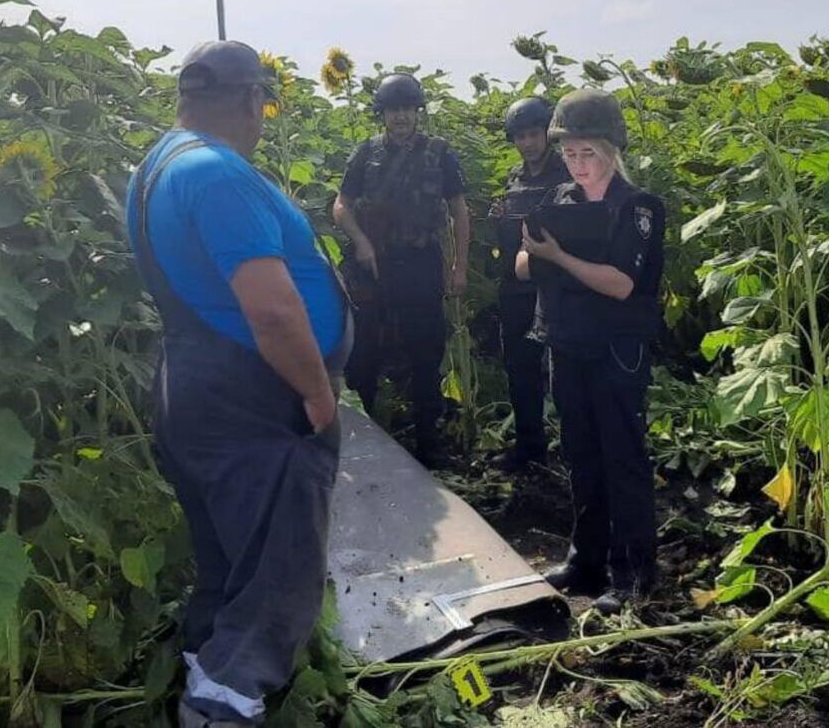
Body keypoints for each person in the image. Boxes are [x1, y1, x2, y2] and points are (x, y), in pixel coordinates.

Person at [125, 41, 351, 727]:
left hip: (197, 381)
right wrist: (315, 393)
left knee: (229, 555)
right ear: (253, 100)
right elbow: (274, 307)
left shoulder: (159, 163)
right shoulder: (219, 175)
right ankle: (223, 701)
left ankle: (204, 659)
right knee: (279, 565)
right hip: (255, 394)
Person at [517, 89, 666, 614]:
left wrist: (559, 256)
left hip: (615, 350)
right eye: (571, 154)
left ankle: (633, 571)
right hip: (567, 343)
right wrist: (539, 252)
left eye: (589, 154)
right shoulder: (558, 202)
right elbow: (520, 267)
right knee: (580, 456)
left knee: (621, 457)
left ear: (611, 151)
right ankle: (586, 561)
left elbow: (623, 283)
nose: (579, 165)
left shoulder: (637, 208)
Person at [331, 72, 469, 466]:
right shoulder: (366, 153)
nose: (401, 117)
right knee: (365, 357)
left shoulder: (440, 153)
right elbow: (340, 205)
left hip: (422, 264)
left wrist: (458, 266)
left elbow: (459, 210)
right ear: (383, 114)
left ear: (417, 112)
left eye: (407, 109)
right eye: (394, 110)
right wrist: (360, 241)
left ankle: (429, 444)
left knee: (426, 354)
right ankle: (366, 444)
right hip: (376, 266)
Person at [489, 96, 568, 471]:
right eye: (520, 136)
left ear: (548, 134)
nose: (528, 143)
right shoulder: (513, 180)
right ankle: (529, 445)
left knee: (564, 373)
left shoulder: (567, 175)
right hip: (516, 288)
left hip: (556, 287)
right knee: (520, 370)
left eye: (534, 134)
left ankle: (573, 449)